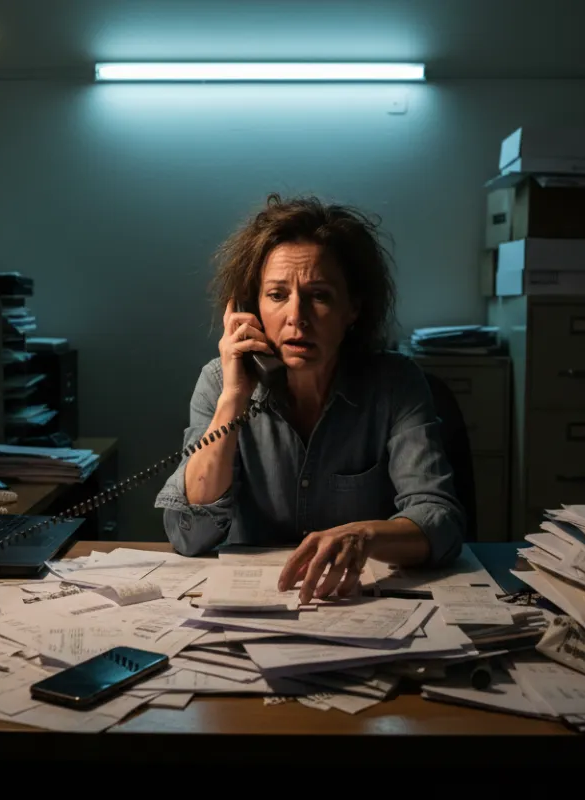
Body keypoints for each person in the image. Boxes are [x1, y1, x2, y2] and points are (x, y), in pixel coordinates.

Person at [154, 194, 465, 603]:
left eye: (319, 295)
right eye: (277, 295)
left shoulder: (395, 384)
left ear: (352, 308)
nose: (296, 316)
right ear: (251, 309)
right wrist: (233, 399)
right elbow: (188, 535)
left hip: (358, 601)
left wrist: (364, 535)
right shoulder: (219, 383)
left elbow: (440, 521)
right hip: (251, 606)